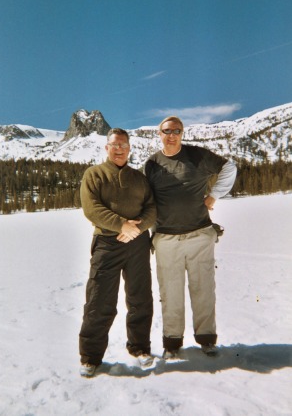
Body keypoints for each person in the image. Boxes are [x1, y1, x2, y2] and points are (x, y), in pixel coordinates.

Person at [144, 116, 237, 358]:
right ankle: (172, 344)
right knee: (170, 293)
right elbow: (147, 200)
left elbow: (229, 167)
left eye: (177, 130)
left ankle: (207, 339)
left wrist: (214, 194)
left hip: (199, 235)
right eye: (167, 130)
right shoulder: (152, 164)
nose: (171, 134)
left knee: (203, 289)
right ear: (160, 134)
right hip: (166, 239)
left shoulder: (198, 155)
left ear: (182, 133)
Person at [79, 128, 156, 377]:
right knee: (99, 300)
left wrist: (138, 228)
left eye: (123, 144)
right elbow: (91, 209)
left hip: (137, 245)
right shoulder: (94, 175)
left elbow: (151, 208)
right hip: (106, 244)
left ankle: (140, 348)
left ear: (129, 148)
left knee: (140, 298)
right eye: (114, 145)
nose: (119, 149)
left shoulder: (140, 178)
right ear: (107, 148)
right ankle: (90, 357)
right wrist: (122, 224)